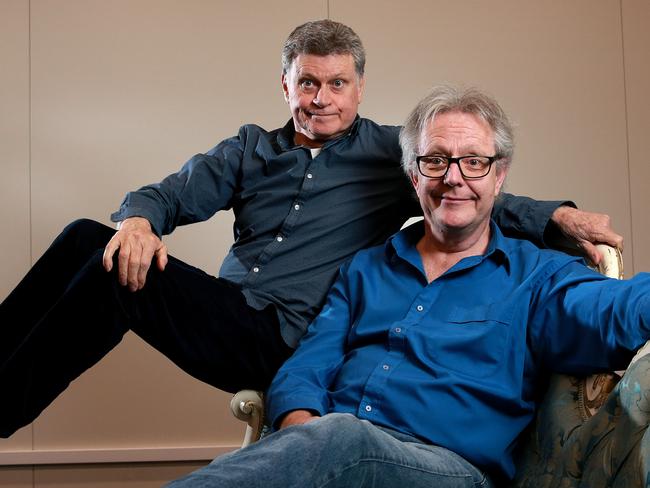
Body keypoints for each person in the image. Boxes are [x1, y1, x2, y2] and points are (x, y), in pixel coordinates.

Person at [0, 20, 621, 438]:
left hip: (284, 339)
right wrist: (137, 220)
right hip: (226, 314)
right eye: (307, 83)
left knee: (113, 278)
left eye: (336, 84)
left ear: (359, 87)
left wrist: (559, 216)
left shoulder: (390, 153)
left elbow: (467, 189)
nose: (321, 98)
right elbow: (166, 194)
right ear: (286, 85)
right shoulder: (250, 148)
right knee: (93, 235)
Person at [166, 85, 649, 488]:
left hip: (449, 470)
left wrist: (318, 446)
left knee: (342, 441)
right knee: (330, 441)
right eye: (436, 161)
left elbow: (617, 310)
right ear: (413, 175)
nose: (454, 178)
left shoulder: (537, 277)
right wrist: (299, 433)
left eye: (474, 162)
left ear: (499, 176)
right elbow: (309, 364)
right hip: (329, 453)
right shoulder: (366, 269)